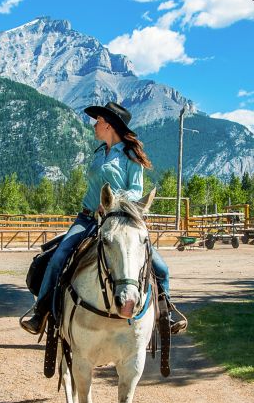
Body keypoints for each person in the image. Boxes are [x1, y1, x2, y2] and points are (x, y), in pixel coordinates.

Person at [20, 102, 186, 335]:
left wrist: (112, 201)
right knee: (58, 258)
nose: (94, 125)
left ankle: (165, 315)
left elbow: (136, 191)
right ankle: (42, 311)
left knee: (160, 267)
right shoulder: (99, 152)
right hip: (88, 218)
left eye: (97, 121)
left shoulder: (131, 155)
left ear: (109, 124)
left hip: (122, 220)